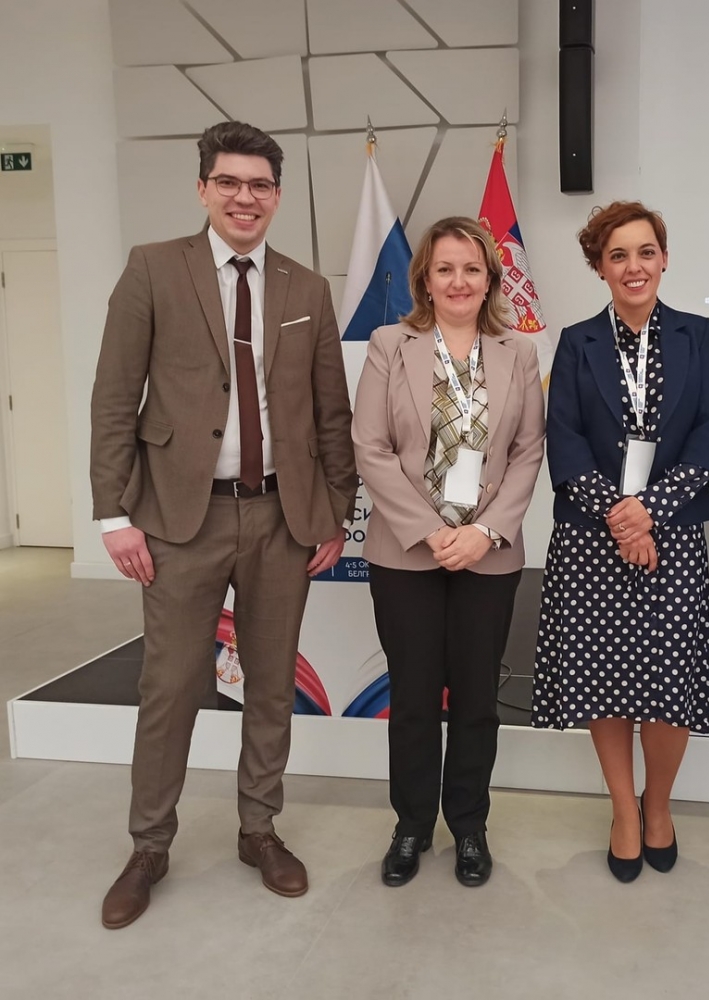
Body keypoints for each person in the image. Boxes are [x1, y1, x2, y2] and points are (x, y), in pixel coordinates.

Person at [91, 121, 356, 928]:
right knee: (171, 687)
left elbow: (331, 412)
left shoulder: (307, 288)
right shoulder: (152, 268)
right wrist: (113, 513)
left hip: (282, 516)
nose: (246, 198)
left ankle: (258, 829)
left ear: (277, 196)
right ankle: (149, 845)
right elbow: (115, 396)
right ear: (204, 189)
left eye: (261, 185)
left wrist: (334, 510)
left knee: (272, 683)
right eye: (230, 183)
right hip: (180, 519)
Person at [531, 201, 709, 882]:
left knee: (670, 682)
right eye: (618, 255)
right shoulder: (577, 341)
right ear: (600, 267)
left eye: (646, 252)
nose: (634, 266)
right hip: (591, 542)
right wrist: (621, 518)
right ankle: (622, 810)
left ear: (664, 259)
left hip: (670, 539)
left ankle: (658, 805)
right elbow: (564, 442)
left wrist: (650, 513)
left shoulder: (697, 335)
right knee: (603, 681)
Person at [353, 216, 545, 889]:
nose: (458, 280)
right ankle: (411, 825)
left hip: (487, 557)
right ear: (425, 281)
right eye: (445, 269)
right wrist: (430, 531)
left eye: (471, 268)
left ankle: (468, 826)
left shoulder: (519, 352)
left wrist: (484, 532)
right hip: (406, 554)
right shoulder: (389, 344)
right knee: (411, 697)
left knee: (476, 698)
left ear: (489, 279)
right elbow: (370, 446)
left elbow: (528, 452)